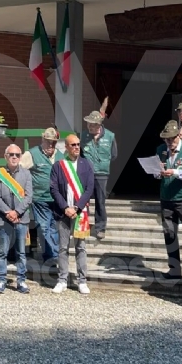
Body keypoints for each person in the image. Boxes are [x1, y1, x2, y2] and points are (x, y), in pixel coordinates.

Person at [49, 133, 95, 295]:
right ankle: (62, 280)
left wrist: (77, 207)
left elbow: (90, 188)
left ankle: (82, 281)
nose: (76, 147)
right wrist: (65, 208)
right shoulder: (58, 166)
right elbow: (53, 189)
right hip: (63, 213)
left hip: (80, 214)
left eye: (78, 144)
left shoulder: (86, 164)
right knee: (62, 248)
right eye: (73, 145)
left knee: (80, 247)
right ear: (66, 147)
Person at [155, 119, 182, 280]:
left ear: (179, 136)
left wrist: (175, 172)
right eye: (166, 139)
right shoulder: (160, 150)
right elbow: (156, 171)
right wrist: (158, 173)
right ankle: (174, 269)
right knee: (169, 234)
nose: (169, 142)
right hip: (166, 198)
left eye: (172, 139)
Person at [0, 143, 33, 294]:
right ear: (5, 156)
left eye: (17, 155)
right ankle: (2, 280)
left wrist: (17, 212)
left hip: (21, 218)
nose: (14, 157)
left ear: (21, 157)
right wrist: (9, 212)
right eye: (11, 154)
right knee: (2, 251)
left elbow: (29, 197)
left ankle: (21, 281)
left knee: (21, 252)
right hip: (4, 218)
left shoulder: (27, 174)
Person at [20, 127, 63, 262]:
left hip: (57, 199)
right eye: (48, 141)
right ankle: (53, 257)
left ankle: (51, 257)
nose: (51, 145)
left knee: (54, 229)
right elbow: (19, 171)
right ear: (43, 139)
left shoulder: (60, 155)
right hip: (40, 198)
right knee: (44, 228)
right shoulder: (32, 154)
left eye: (54, 142)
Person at [81, 110, 117, 241]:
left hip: (102, 174)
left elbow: (114, 155)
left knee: (100, 201)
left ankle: (100, 228)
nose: (89, 127)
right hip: (86, 174)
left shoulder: (110, 136)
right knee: (83, 200)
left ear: (99, 125)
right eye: (88, 124)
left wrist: (102, 164)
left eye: (92, 124)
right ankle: (81, 226)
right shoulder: (83, 136)